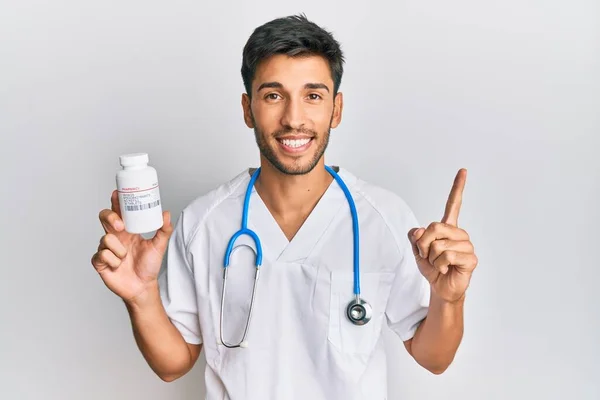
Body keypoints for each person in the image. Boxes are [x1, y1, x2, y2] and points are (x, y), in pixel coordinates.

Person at [91, 14, 478, 400]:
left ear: (336, 110)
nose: (294, 119)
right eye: (274, 95)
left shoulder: (385, 219)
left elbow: (435, 358)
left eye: (313, 96)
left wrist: (450, 298)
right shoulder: (204, 222)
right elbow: (173, 364)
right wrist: (141, 296)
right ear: (248, 109)